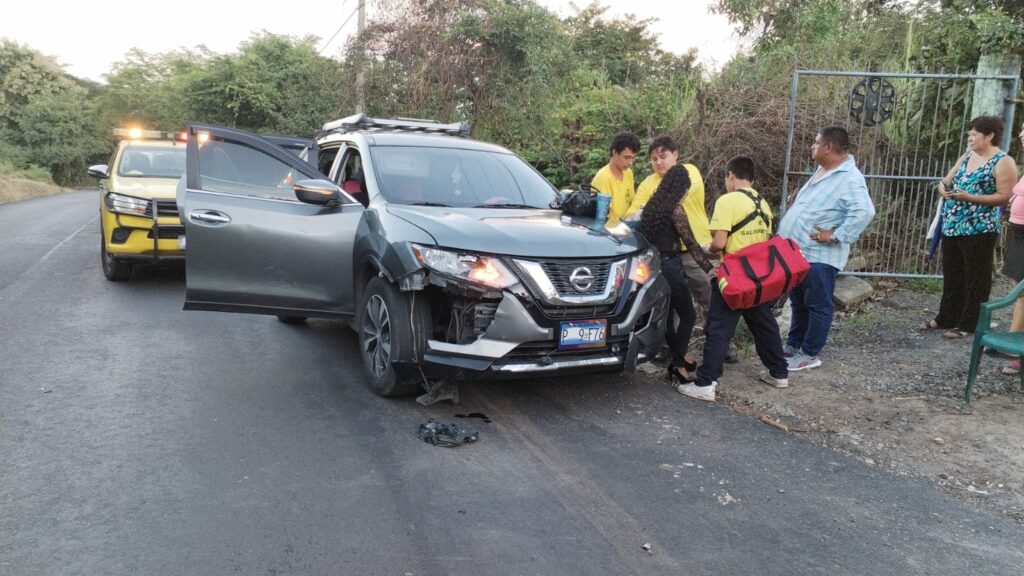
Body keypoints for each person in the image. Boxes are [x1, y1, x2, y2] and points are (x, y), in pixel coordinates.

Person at [678, 156, 788, 402]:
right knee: (764, 323)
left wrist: (705, 249)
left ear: (730, 175)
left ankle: (706, 382)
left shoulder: (727, 200)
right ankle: (779, 372)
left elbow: (719, 243)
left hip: (734, 275)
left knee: (718, 327)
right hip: (759, 276)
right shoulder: (763, 203)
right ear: (752, 179)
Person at [776, 125, 876, 371]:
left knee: (818, 305)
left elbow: (865, 211)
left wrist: (837, 235)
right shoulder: (825, 170)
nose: (813, 146)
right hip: (799, 253)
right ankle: (793, 345)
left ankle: (810, 353)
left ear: (829, 146)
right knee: (798, 302)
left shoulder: (850, 178)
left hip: (819, 256)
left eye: (816, 142)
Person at [920, 116, 1017, 339]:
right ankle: (946, 316)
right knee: (952, 273)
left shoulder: (1003, 161)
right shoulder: (967, 155)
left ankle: (969, 323)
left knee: (976, 277)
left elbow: (1005, 197)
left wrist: (970, 197)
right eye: (969, 134)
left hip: (980, 228)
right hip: (953, 225)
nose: (970, 138)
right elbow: (946, 180)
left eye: (974, 135)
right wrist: (943, 189)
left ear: (990, 136)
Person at [626, 136, 714, 328]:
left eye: (663, 156)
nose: (658, 162)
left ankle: (719, 343)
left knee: (708, 297)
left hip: (693, 250)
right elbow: (632, 214)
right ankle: (668, 348)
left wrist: (654, 202)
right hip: (664, 256)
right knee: (666, 304)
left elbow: (678, 195)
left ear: (675, 154)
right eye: (654, 159)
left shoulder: (688, 172)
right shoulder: (647, 183)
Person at [638, 165, 714, 383]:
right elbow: (691, 244)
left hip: (652, 268)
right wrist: (709, 269)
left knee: (667, 318)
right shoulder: (675, 210)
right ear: (682, 189)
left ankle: (681, 356)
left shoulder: (652, 206)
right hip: (670, 267)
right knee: (689, 314)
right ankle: (679, 364)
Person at [999, 125, 1024, 375]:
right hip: (1019, 234)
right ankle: (1014, 343)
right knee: (1021, 292)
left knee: (1023, 294)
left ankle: (1017, 351)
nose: (1021, 135)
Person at [591, 131, 641, 220]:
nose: (630, 163)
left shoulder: (628, 173)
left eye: (633, 158)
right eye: (627, 157)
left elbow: (632, 202)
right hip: (608, 230)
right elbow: (602, 216)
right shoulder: (603, 177)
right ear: (614, 152)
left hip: (626, 227)